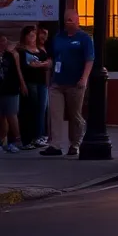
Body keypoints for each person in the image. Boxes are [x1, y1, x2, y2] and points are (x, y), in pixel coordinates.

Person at [42, 9, 92, 157]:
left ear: (77, 21)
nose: (68, 22)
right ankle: (55, 145)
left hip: (75, 83)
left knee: (74, 115)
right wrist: (47, 65)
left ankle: (75, 143)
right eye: (66, 19)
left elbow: (89, 59)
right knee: (55, 114)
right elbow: (53, 57)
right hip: (57, 82)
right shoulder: (58, 37)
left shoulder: (84, 38)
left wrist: (84, 78)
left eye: (71, 19)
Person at [18, 25, 50, 149]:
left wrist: (42, 65)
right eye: (29, 35)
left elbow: (47, 64)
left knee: (42, 109)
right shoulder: (21, 51)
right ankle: (30, 137)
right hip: (30, 82)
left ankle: (40, 135)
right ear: (25, 37)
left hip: (42, 83)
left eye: (33, 35)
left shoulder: (40, 51)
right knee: (32, 108)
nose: (32, 38)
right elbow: (22, 67)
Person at [0, 35, 24, 153]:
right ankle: (2, 141)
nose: (2, 43)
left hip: (11, 89)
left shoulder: (11, 56)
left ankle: (17, 140)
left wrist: (21, 85)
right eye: (1, 41)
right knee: (2, 117)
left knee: (11, 115)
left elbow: (17, 71)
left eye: (4, 41)